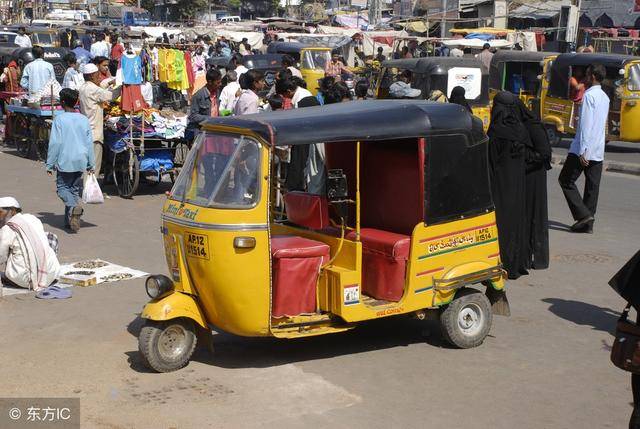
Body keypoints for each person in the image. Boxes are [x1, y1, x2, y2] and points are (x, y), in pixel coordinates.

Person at [558, 64, 610, 234]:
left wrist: (584, 150)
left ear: (593, 76)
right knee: (592, 187)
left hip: (583, 148)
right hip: (597, 149)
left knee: (565, 180)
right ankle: (588, 223)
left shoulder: (589, 96)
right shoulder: (604, 97)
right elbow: (600, 125)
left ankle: (583, 215)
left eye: (587, 75)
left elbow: (586, 125)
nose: (585, 78)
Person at [487, 91, 529, 279]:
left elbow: (490, 162)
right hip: (518, 185)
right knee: (515, 223)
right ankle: (514, 264)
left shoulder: (497, 131)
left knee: (501, 225)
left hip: (499, 186)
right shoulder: (520, 130)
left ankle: (499, 263)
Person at [46, 89, 94, 232]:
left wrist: (49, 163)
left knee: (62, 189)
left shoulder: (59, 119)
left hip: (65, 159)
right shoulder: (84, 119)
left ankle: (73, 208)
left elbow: (55, 143)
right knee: (72, 189)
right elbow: (88, 143)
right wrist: (91, 163)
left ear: (63, 102)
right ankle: (70, 221)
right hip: (80, 160)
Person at [517, 98, 552, 270]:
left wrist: (526, 158)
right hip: (527, 176)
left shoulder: (533, 126)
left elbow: (545, 153)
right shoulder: (521, 125)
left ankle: (539, 259)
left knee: (536, 216)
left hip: (535, 176)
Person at [0, 197, 60, 291]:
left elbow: (1, 257)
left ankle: (29, 276)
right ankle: (44, 271)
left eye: (0, 213)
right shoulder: (32, 218)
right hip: (51, 276)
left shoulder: (7, 229)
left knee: (8, 247)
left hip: (24, 281)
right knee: (51, 237)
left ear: (12, 211)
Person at [79, 63, 119, 181]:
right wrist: (122, 88)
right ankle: (90, 190)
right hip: (94, 135)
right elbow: (110, 96)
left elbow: (100, 86)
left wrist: (109, 82)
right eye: (97, 75)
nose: (99, 77)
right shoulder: (93, 89)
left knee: (89, 164)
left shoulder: (84, 87)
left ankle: (89, 188)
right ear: (91, 76)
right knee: (94, 165)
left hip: (87, 131)